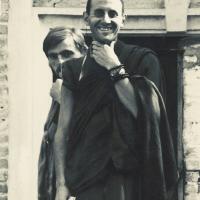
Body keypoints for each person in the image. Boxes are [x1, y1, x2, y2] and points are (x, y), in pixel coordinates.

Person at [54, 0, 178, 200]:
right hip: (86, 177)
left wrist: (114, 67)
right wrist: (61, 184)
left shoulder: (144, 60)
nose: (106, 19)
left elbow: (146, 116)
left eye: (113, 14)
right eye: (99, 13)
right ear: (86, 17)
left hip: (130, 178)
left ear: (123, 19)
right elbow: (63, 130)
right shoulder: (73, 69)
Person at [38, 27, 87, 200]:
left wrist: (63, 98)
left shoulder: (94, 89)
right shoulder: (59, 86)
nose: (60, 61)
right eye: (53, 56)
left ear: (83, 53)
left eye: (67, 54)